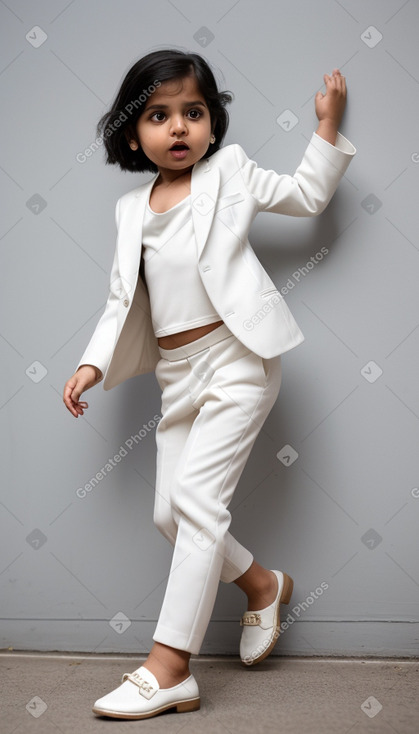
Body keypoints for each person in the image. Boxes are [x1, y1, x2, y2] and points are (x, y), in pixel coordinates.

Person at [63, 49, 356, 720]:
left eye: (192, 113)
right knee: (170, 511)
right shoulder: (130, 210)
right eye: (159, 115)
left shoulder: (229, 171)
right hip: (175, 374)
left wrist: (326, 125)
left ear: (212, 125)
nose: (177, 128)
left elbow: (305, 196)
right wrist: (92, 364)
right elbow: (118, 301)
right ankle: (263, 586)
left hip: (238, 360)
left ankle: (169, 667)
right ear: (133, 133)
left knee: (196, 500)